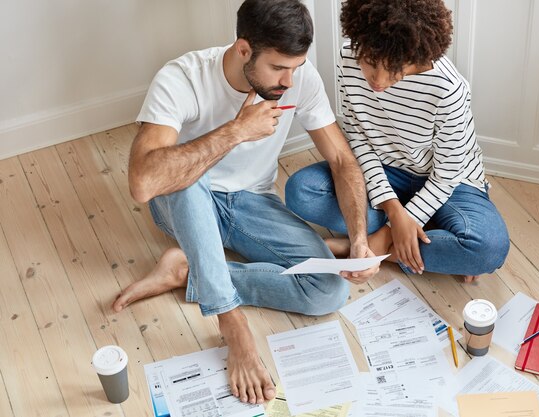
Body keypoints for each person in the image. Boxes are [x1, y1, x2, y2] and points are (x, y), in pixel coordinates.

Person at [111, 0, 379, 405]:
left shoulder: (298, 79)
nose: (289, 80)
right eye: (278, 67)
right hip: (184, 201)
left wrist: (358, 237)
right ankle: (231, 322)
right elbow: (143, 183)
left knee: (328, 292)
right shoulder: (182, 77)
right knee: (185, 174)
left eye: (297, 66)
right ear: (243, 50)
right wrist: (235, 132)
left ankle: (188, 272)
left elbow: (342, 160)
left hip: (252, 203)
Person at [286, 0, 510, 283]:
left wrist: (386, 234)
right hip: (386, 172)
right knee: (301, 191)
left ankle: (369, 247)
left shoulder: (448, 89)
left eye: (393, 68)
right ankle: (422, 234)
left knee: (488, 248)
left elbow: (447, 174)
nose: (377, 80)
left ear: (414, 55)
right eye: (369, 62)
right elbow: (358, 140)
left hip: (451, 184)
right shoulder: (347, 60)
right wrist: (393, 208)